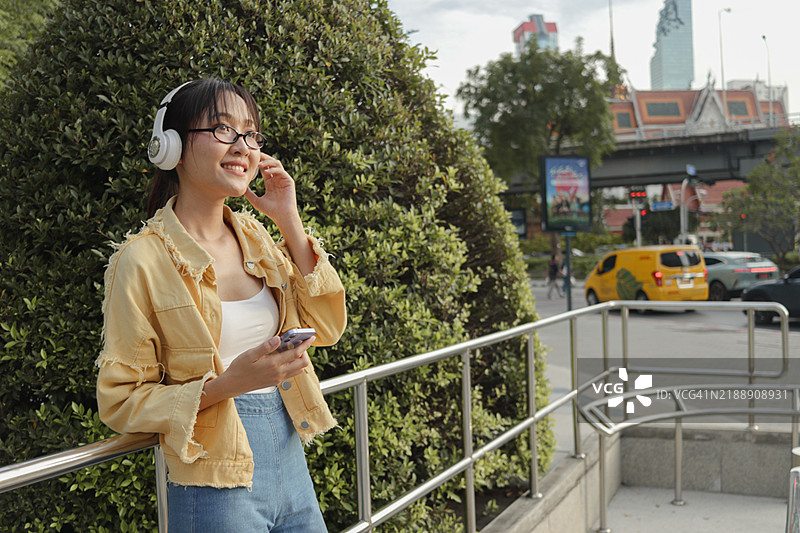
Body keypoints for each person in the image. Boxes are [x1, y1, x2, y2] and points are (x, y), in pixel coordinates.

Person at [95, 78, 346, 532]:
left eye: (250, 133)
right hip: (213, 480)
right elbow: (121, 402)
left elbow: (326, 328)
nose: (243, 146)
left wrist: (288, 219)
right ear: (171, 147)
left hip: (291, 457)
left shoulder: (255, 236)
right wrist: (229, 385)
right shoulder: (143, 259)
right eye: (222, 129)